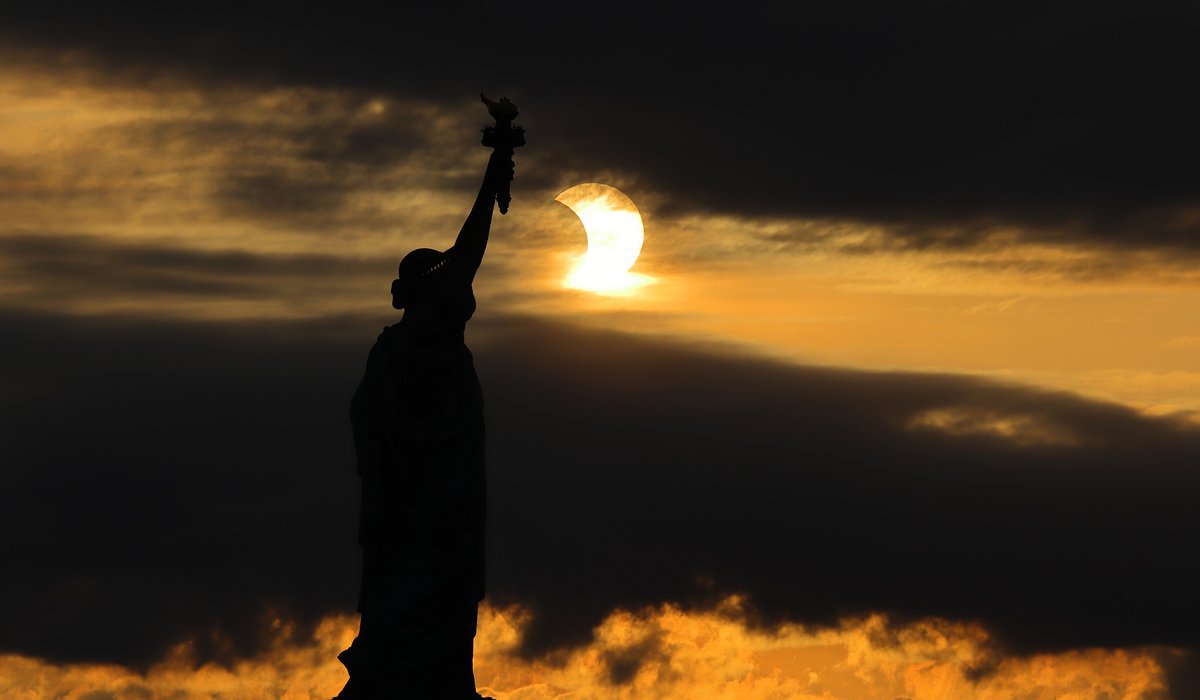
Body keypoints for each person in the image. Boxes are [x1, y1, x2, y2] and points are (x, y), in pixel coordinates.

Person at [335, 148, 512, 700]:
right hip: (428, 493)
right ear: (433, 291)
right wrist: (495, 170)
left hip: (428, 492)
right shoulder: (401, 350)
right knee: (432, 583)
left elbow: (362, 413)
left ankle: (424, 676)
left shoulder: (390, 351)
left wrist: (497, 164)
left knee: (435, 585)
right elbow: (471, 246)